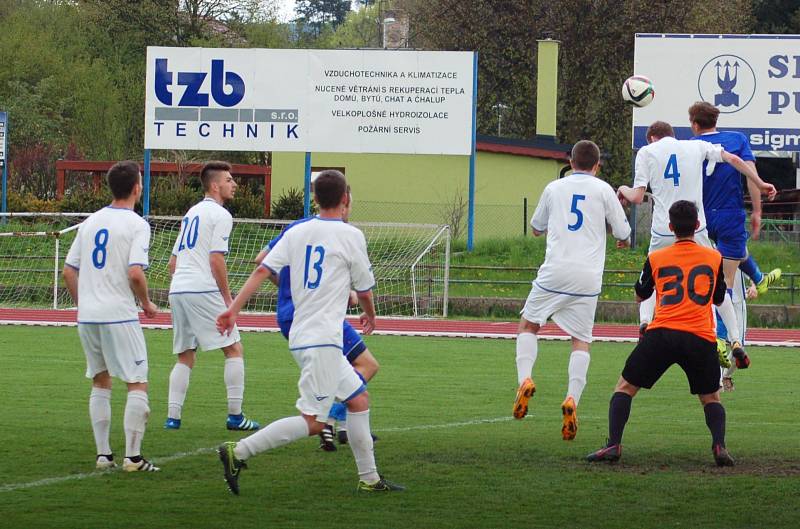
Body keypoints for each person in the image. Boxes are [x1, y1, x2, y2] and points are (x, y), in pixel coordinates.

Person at [215, 170, 403, 495]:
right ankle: (239, 451)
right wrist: (370, 316)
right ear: (345, 199)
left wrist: (234, 309)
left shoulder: (297, 231)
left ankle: (370, 479)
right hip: (322, 341)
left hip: (306, 334)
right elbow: (366, 289)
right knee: (314, 422)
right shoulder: (350, 235)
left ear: (314, 199)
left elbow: (263, 269)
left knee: (358, 399)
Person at [586, 200, 735, 467]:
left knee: (625, 387)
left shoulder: (657, 257)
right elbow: (719, 297)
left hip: (663, 332)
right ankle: (719, 446)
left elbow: (641, 294)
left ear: (670, 228)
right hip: (700, 336)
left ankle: (613, 445)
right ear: (698, 226)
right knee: (711, 397)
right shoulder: (714, 257)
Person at [617, 121, 775, 370]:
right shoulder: (695, 146)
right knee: (717, 284)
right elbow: (733, 159)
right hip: (696, 226)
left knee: (653, 277)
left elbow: (636, 196)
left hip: (663, 229)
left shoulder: (647, 153)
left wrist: (621, 189)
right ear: (672, 135)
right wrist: (759, 181)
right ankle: (733, 340)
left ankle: (645, 323)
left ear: (652, 138)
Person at [512, 140, 632, 441]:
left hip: (555, 271)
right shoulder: (604, 190)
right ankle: (571, 400)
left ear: (570, 161)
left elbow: (536, 227)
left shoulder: (554, 188)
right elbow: (623, 233)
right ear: (597, 165)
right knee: (581, 340)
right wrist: (620, 235)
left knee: (529, 323)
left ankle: (524, 380)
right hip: (588, 278)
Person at [253, 191, 380, 452]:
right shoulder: (342, 234)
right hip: (315, 318)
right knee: (366, 365)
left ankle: (341, 426)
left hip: (291, 316)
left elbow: (261, 260)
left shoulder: (297, 228)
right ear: (344, 201)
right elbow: (356, 288)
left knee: (352, 375)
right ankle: (332, 418)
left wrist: (289, 286)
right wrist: (355, 299)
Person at [62, 160, 160, 472]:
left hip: (88, 316)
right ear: (136, 188)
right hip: (119, 314)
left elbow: (68, 271)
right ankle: (133, 458)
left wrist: (86, 303)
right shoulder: (136, 224)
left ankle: (104, 455)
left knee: (100, 381)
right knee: (137, 381)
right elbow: (135, 272)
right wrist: (146, 303)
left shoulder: (90, 222)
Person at [164, 161, 259, 432]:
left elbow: (172, 263)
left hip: (179, 288)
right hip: (202, 288)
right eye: (229, 180)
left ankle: (173, 418)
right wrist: (228, 300)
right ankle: (235, 416)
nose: (234, 184)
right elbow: (216, 258)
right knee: (233, 348)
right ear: (215, 185)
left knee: (185, 355)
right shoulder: (220, 215)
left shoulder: (191, 213)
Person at [688, 102, 781, 360]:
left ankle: (718, 337)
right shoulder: (737, 139)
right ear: (715, 120)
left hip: (701, 218)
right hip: (730, 215)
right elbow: (751, 175)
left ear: (695, 124)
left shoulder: (691, 145)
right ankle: (723, 334)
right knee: (726, 277)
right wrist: (758, 211)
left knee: (725, 268)